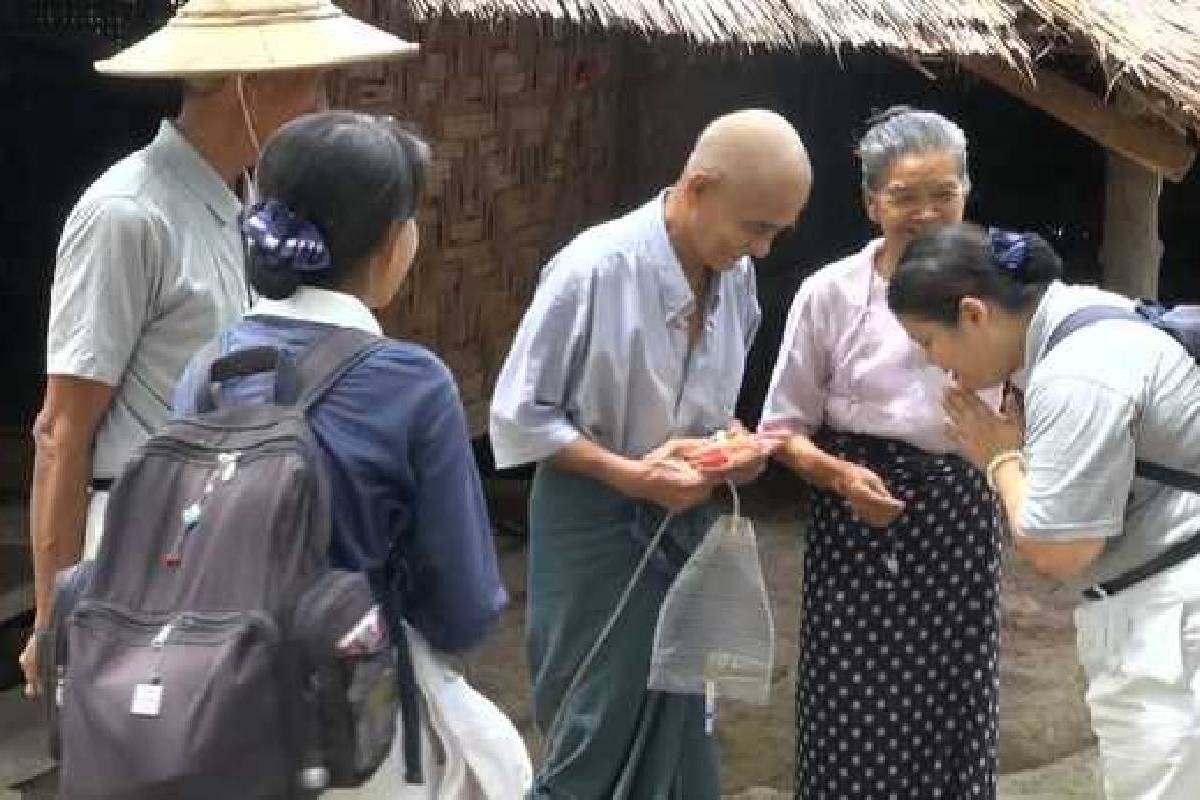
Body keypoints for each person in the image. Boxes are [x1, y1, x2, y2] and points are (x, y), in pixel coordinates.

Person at [21, 0, 417, 694]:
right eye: (311, 84)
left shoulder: (254, 206)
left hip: (235, 543)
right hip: (143, 546)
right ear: (248, 84)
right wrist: (55, 622)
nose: (322, 104)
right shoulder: (129, 213)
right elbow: (62, 430)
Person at [172, 111, 511, 797]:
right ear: (393, 241)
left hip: (217, 720)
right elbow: (463, 609)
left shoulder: (208, 366)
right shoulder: (412, 384)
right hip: (358, 736)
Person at [489, 108, 811, 798]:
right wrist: (630, 475)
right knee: (592, 726)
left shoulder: (737, 275)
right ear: (698, 187)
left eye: (777, 233)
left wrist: (735, 446)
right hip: (596, 525)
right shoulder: (593, 270)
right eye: (755, 227)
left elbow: (711, 404)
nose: (762, 251)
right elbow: (519, 413)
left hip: (684, 522)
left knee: (682, 718)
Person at [888, 222, 1200, 800]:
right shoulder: (1091, 313)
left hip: (1174, 631)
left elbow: (1058, 549)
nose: (936, 364)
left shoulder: (1076, 370)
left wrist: (1000, 456)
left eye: (929, 342)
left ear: (974, 314)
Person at [761, 107, 1002, 799]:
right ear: (872, 203)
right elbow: (782, 428)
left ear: (966, 192)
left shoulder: (1001, 290)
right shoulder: (831, 295)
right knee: (849, 705)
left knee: (953, 702)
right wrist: (836, 475)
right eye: (905, 196)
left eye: (944, 193)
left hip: (960, 517)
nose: (926, 212)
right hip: (855, 520)